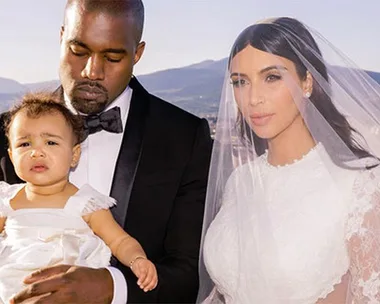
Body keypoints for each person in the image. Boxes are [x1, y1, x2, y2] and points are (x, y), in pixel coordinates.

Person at [0, 0, 212, 303]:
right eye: (78, 51)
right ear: (61, 38)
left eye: (112, 57)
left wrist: (113, 287)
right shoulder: (4, 133)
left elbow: (190, 271)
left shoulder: (185, 137)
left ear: (137, 54)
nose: (91, 71)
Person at [197, 17, 380, 303]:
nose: (253, 98)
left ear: (307, 81)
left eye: (272, 77)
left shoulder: (357, 186)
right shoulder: (239, 182)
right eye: (240, 82)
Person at [0, 93, 158, 304]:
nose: (36, 152)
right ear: (11, 156)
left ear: (74, 155)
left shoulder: (85, 203)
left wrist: (137, 259)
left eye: (50, 142)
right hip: (11, 292)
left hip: (68, 294)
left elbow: (119, 240)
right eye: (25, 145)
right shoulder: (7, 199)